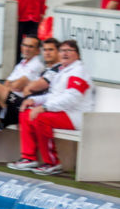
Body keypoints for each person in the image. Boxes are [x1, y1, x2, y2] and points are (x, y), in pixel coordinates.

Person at [9, 40, 94, 175]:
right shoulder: (62, 70)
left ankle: (52, 162)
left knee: (40, 118)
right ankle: (28, 157)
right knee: (25, 112)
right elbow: (53, 96)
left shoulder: (78, 71)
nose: (64, 53)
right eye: (62, 51)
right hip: (62, 112)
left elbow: (72, 98)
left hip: (76, 115)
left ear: (77, 55)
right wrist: (33, 100)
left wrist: (44, 107)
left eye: (69, 51)